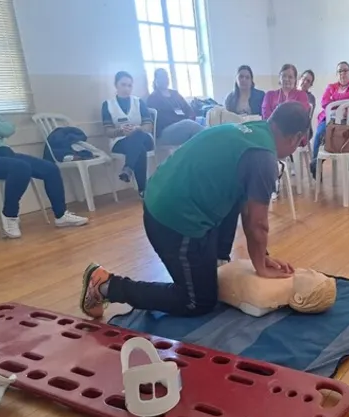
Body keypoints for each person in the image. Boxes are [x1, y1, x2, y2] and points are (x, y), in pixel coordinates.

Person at [78, 102, 310, 318]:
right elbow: (256, 222)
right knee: (198, 301)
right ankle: (106, 285)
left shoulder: (252, 130)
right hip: (172, 220)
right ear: (296, 138)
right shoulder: (263, 158)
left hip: (162, 196)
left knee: (237, 194)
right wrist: (260, 265)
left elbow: (245, 207)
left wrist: (262, 256)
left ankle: (216, 262)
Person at [0, 101, 88, 238]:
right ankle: (10, 215)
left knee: (50, 168)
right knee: (20, 167)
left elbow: (9, 129)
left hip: (5, 152)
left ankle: (61, 215)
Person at [102, 71, 155, 197]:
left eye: (129, 85)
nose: (127, 88)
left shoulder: (139, 102)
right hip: (120, 141)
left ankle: (128, 168)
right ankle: (143, 190)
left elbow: (148, 126)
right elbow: (108, 131)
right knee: (139, 148)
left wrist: (137, 128)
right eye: (123, 85)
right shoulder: (107, 105)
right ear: (116, 85)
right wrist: (121, 131)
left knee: (137, 135)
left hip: (143, 137)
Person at [310, 61, 349, 166]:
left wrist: (334, 99)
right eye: (339, 71)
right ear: (336, 74)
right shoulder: (331, 86)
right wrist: (343, 101)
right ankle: (315, 165)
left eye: (345, 70)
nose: (342, 73)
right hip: (329, 121)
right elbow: (324, 102)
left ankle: (348, 166)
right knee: (320, 133)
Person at [146, 68, 204, 147]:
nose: (165, 79)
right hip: (165, 131)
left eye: (166, 77)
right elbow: (161, 120)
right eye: (161, 77)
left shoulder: (175, 94)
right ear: (155, 80)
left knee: (203, 120)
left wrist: (191, 116)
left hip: (184, 123)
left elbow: (188, 109)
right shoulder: (153, 98)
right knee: (189, 125)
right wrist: (183, 120)